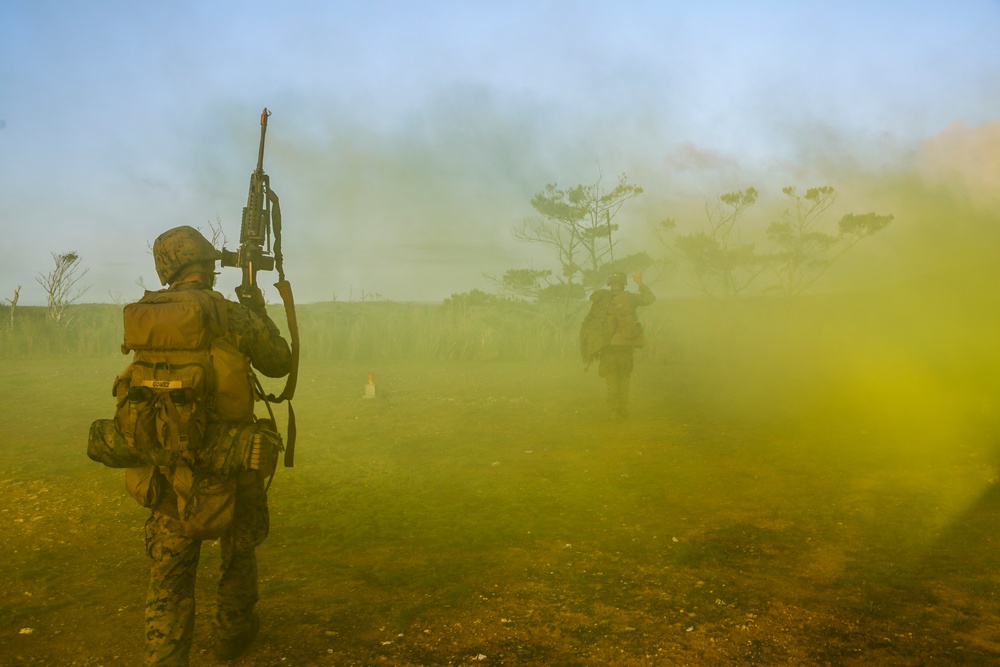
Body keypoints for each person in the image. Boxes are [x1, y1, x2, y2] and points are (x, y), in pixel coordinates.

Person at [113, 226, 291, 665]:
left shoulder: (145, 314)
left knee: (169, 570)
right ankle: (232, 633)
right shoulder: (229, 314)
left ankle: (165, 653)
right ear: (208, 266)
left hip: (168, 460)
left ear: (166, 267)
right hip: (231, 456)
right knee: (238, 549)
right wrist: (258, 310)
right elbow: (278, 362)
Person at [582, 270, 655, 419]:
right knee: (624, 376)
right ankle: (622, 408)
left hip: (607, 346)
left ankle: (615, 409)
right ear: (624, 283)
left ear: (610, 283)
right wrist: (640, 283)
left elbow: (591, 323)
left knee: (611, 377)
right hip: (625, 345)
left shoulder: (602, 299)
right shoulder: (631, 298)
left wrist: (591, 348)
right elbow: (650, 299)